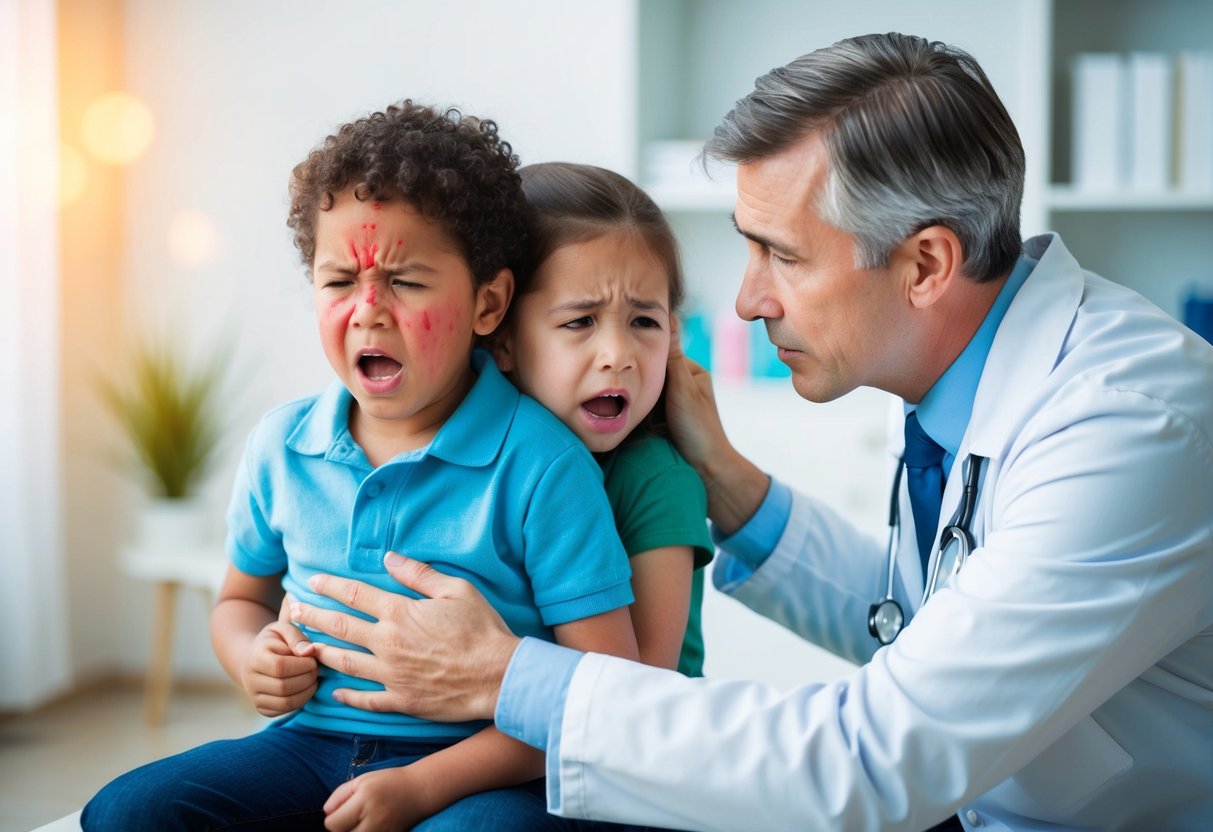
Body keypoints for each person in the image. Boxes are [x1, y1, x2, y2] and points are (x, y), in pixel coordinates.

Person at [289, 33, 1213, 832]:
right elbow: (926, 631)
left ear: (925, 264)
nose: (745, 299)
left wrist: (508, 676)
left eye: (782, 254)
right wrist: (725, 483)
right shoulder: (961, 386)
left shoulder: (1127, 427)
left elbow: (870, 760)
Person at [82, 100, 643, 832]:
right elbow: (238, 601)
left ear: (488, 301)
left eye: (406, 282)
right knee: (129, 811)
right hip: (309, 747)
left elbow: (602, 692)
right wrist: (254, 657)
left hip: (484, 764)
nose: (368, 311)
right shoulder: (282, 447)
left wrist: (419, 787)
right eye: (339, 281)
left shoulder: (542, 466)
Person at [491, 162, 714, 676]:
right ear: (501, 335)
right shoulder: (491, 458)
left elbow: (636, 698)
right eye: (580, 321)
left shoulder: (656, 482)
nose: (619, 354)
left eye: (644, 321)